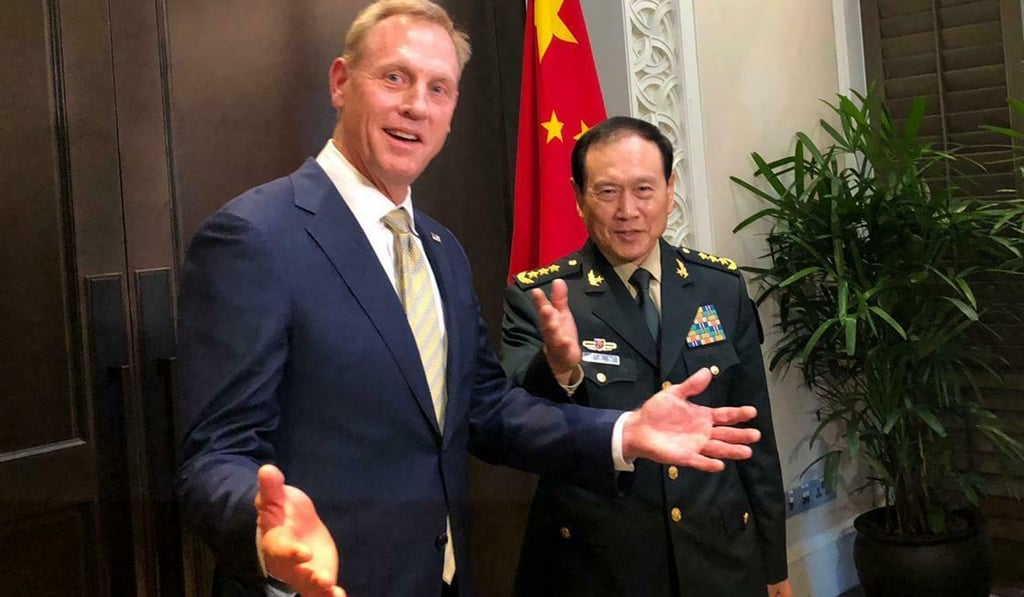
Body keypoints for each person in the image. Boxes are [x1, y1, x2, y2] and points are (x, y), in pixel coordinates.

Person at [174, 3, 762, 597]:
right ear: (341, 82)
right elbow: (216, 455)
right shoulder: (256, 236)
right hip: (325, 584)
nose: (416, 106)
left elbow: (486, 408)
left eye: (439, 88)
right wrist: (260, 526)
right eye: (394, 78)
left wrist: (622, 433)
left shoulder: (441, 250)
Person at [501, 116, 791, 597]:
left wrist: (773, 560)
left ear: (670, 189)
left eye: (644, 189)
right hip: (601, 562)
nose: (628, 211)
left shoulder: (720, 286)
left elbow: (755, 437)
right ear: (578, 197)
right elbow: (516, 422)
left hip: (718, 555)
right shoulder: (544, 298)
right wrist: (561, 367)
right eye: (608, 192)